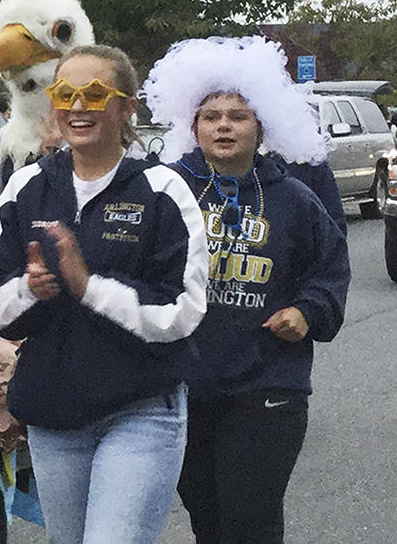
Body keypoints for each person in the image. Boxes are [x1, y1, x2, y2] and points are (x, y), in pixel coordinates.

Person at [0, 44, 208, 543]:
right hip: (54, 415)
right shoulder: (27, 187)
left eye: (96, 94)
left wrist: (90, 289)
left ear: (126, 107)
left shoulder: (162, 190)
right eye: (66, 93)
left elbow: (183, 313)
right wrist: (31, 290)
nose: (78, 107)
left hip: (141, 411)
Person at [142, 35, 350, 544]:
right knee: (208, 521)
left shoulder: (295, 198)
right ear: (193, 127)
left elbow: (330, 267)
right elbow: (129, 263)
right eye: (211, 116)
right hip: (182, 385)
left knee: (249, 522)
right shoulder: (163, 189)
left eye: (238, 115)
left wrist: (307, 311)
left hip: (266, 385)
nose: (224, 126)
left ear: (262, 126)